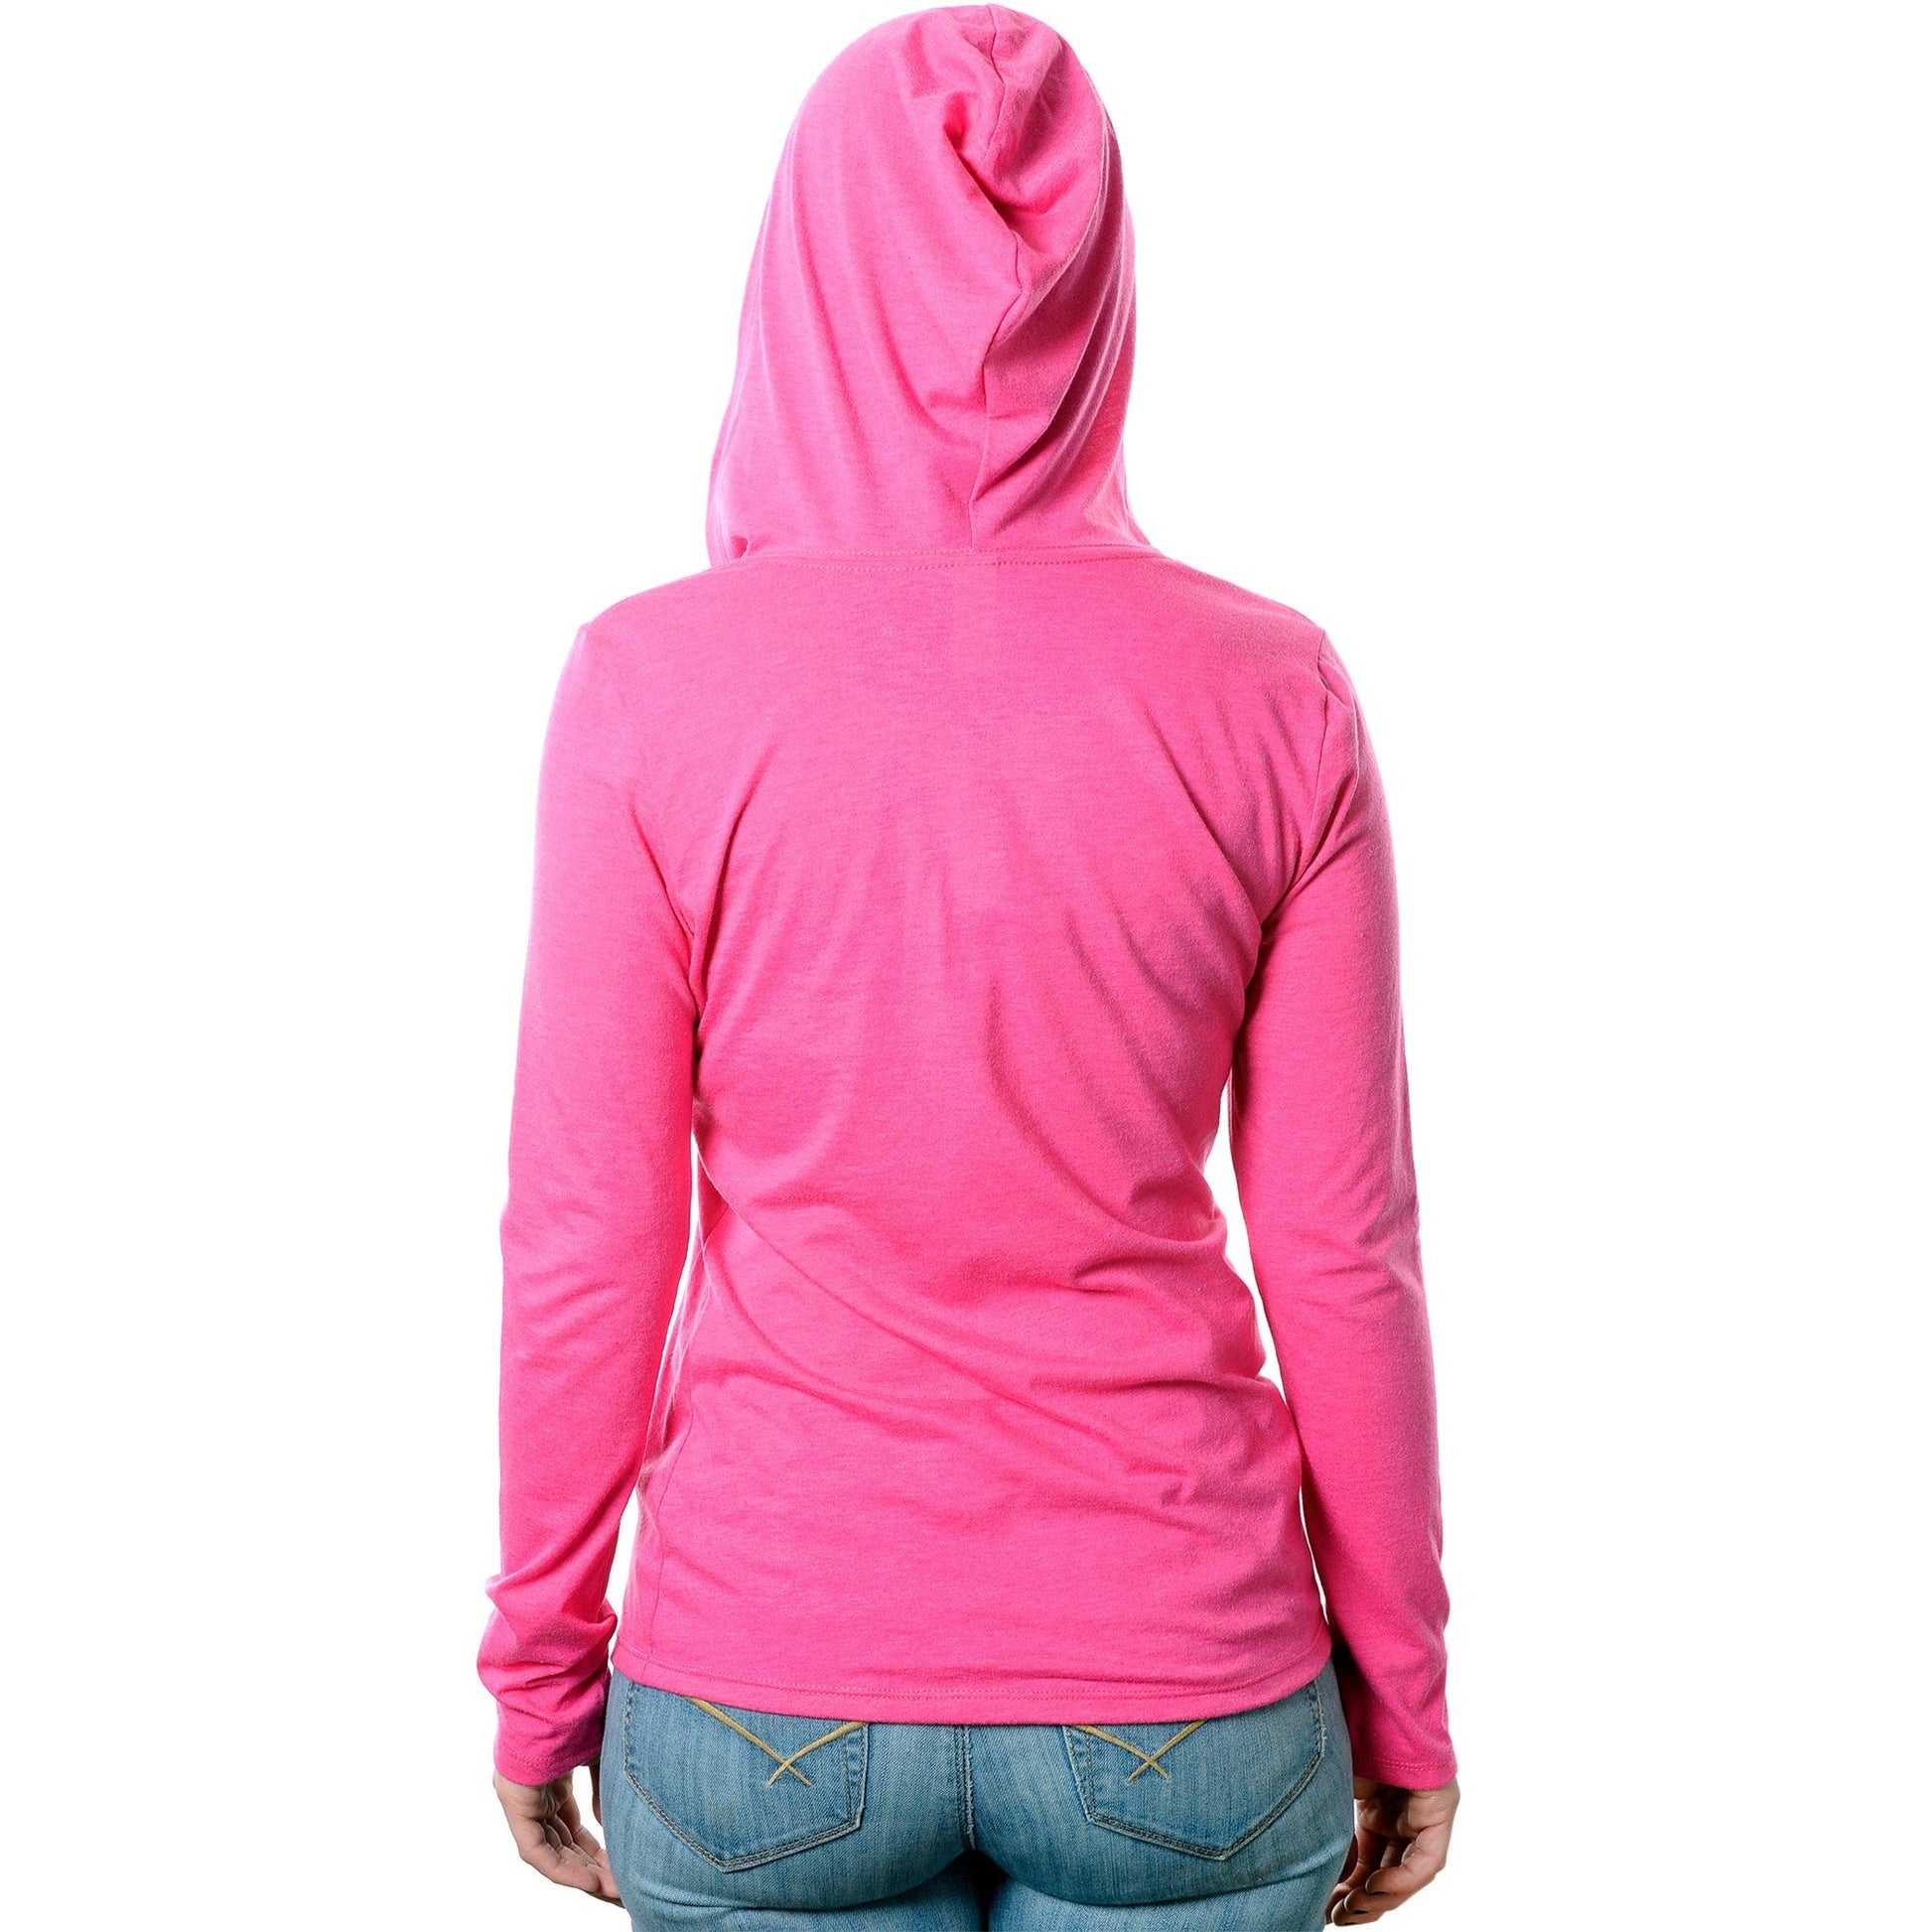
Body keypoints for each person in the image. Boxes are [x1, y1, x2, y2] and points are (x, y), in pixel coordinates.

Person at [478, 7, 1458, 1926]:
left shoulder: (646, 686)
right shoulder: (1274, 688)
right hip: (1184, 1686)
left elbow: (587, 1237)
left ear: (805, 267)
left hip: (762, 1684)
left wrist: (536, 1669)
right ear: (1096, 290)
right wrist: (1404, 1697)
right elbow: (1345, 1247)